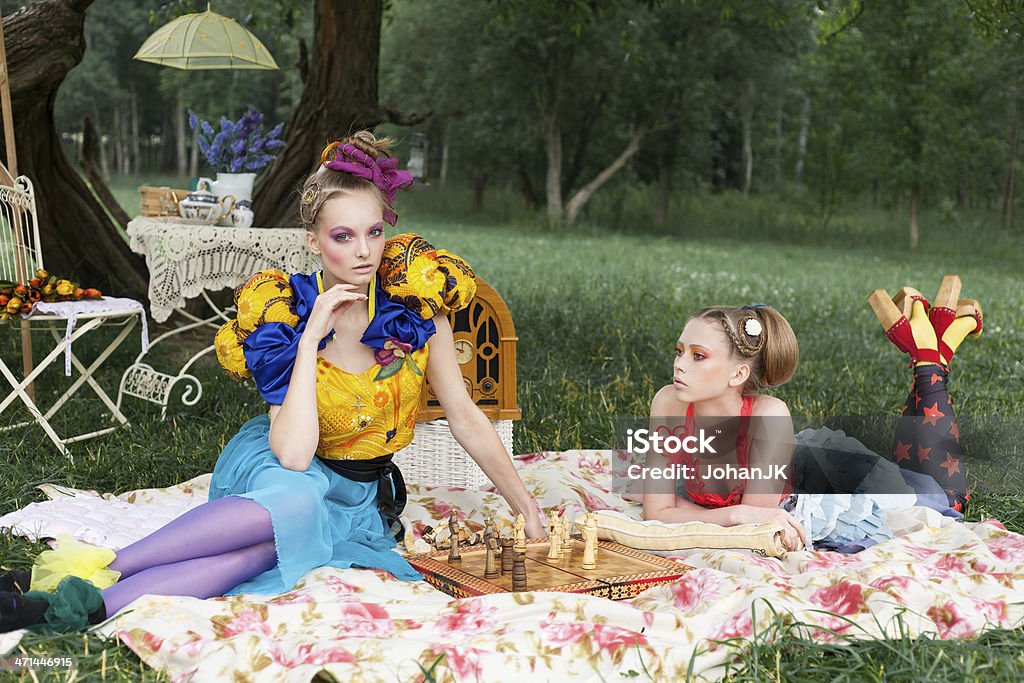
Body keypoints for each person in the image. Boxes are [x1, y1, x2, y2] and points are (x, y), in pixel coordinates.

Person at [0, 131, 544, 634]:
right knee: (297, 506)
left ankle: (64, 603)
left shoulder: (418, 314)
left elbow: (466, 416)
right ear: (312, 242)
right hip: (282, 463)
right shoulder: (284, 313)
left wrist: (527, 508)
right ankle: (105, 568)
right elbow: (293, 454)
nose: (363, 251)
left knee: (269, 549)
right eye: (343, 235)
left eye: (375, 232)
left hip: (355, 493)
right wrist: (311, 340)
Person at [641, 288, 980, 553]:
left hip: (827, 483)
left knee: (943, 502)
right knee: (915, 473)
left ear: (738, 373)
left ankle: (932, 355)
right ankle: (929, 344)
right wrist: (731, 514)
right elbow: (657, 513)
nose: (680, 364)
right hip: (785, 472)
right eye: (679, 350)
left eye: (698, 355)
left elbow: (754, 525)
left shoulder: (767, 415)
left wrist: (691, 510)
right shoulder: (668, 401)